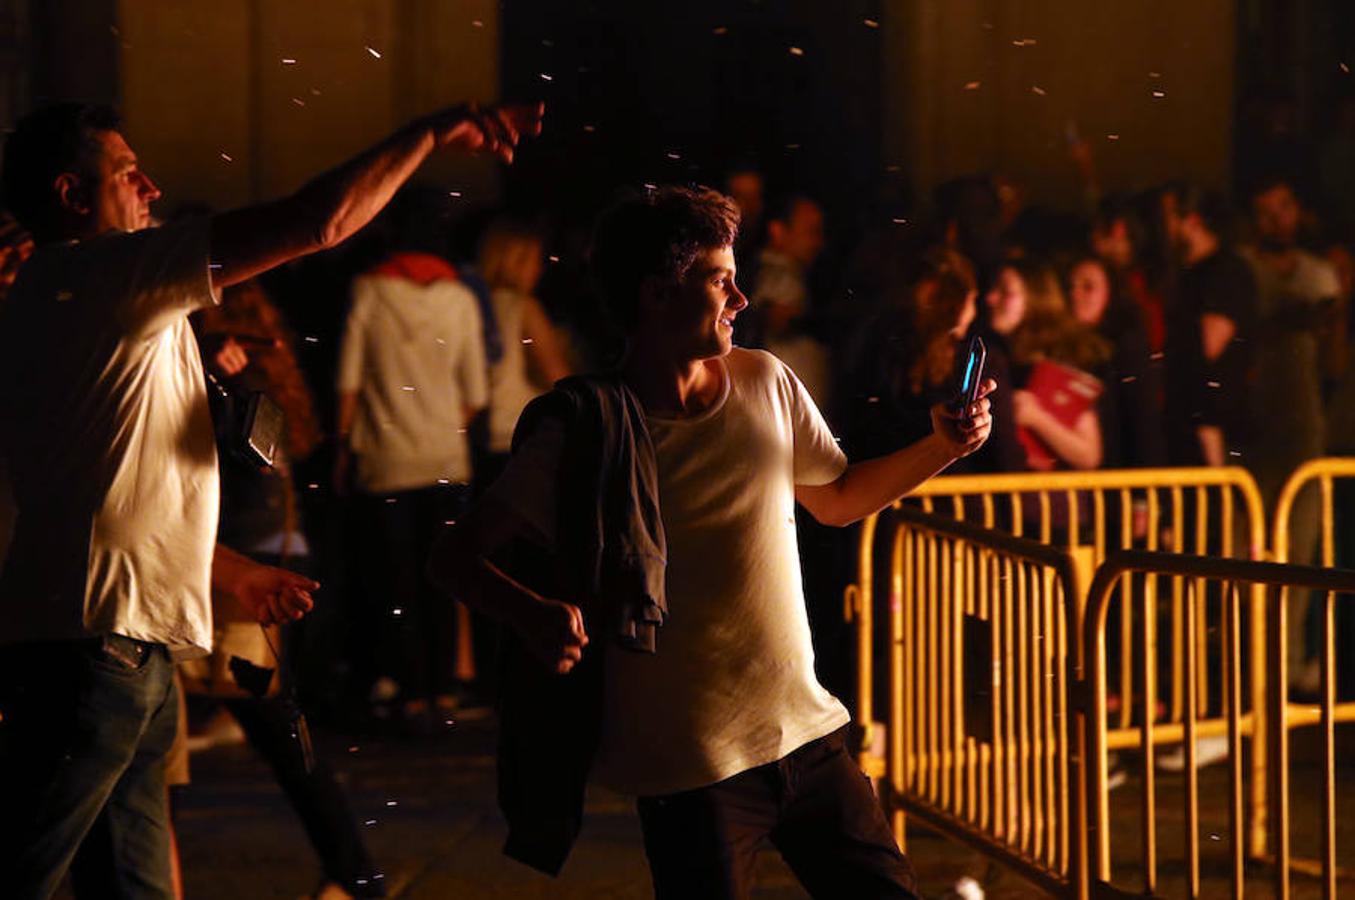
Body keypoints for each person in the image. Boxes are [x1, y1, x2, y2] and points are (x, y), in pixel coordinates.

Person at [0, 98, 540, 899]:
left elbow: (107, 485)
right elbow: (315, 222)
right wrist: (424, 133)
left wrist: (224, 570)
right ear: (74, 198)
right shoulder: (105, 271)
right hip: (99, 646)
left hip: (123, 641)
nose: (150, 185)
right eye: (125, 173)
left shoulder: (61, 298)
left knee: (131, 881)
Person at [429, 186, 993, 899]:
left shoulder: (766, 380)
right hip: (692, 775)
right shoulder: (587, 430)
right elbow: (452, 557)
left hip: (809, 736)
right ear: (657, 292)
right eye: (719, 279)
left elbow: (840, 500)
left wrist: (942, 446)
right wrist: (532, 613)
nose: (741, 298)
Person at [1240, 175, 1342, 692]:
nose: (1274, 220)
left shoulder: (1321, 275)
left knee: (1300, 551)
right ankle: (1247, 675)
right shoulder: (1244, 270)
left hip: (1304, 431)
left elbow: (1333, 356)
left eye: (1282, 207)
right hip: (1254, 431)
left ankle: (1287, 667)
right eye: (1264, 210)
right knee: (1249, 552)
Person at [746, 193, 831, 406]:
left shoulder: (797, 276)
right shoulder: (773, 276)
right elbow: (775, 319)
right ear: (778, 231)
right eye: (811, 232)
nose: (819, 243)